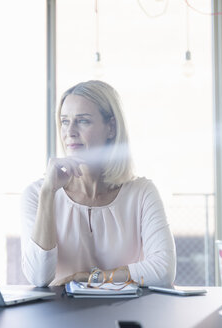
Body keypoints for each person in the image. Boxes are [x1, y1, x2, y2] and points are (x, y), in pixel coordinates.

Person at [21, 80, 176, 287]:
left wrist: (89, 278)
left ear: (111, 128)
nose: (70, 132)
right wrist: (48, 193)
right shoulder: (37, 194)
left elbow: (163, 270)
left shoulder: (141, 193)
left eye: (83, 121)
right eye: (65, 121)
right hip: (58, 316)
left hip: (124, 313)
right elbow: (38, 278)